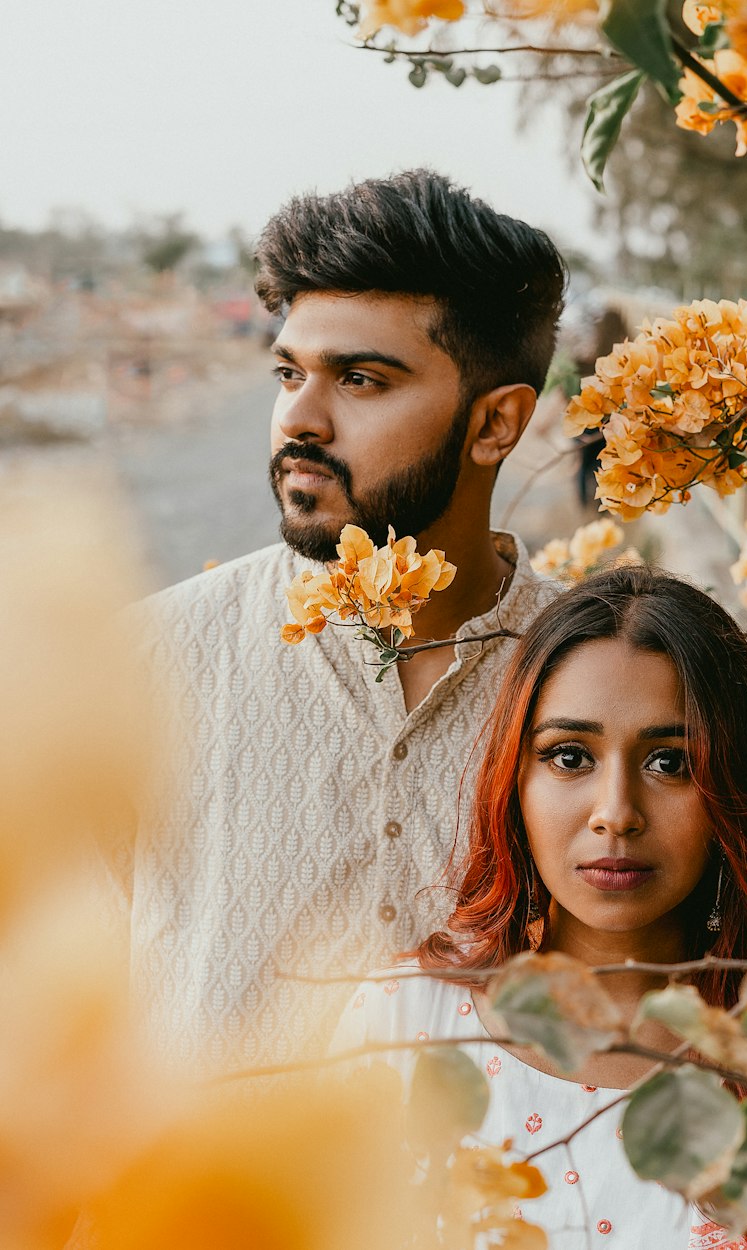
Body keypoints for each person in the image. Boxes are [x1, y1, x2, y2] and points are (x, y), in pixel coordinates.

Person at [336, 565, 747, 1248]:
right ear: (512, 782)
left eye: (670, 763)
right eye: (569, 757)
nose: (616, 814)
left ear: (731, 792)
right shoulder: (402, 1024)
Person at [121, 170, 566, 1072]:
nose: (299, 419)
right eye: (289, 373)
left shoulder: (600, 678)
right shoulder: (149, 661)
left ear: (496, 425)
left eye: (360, 380)